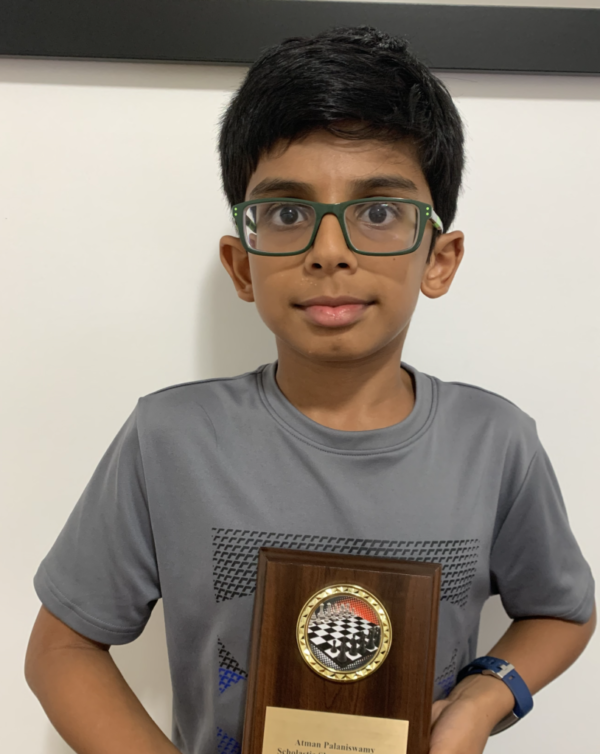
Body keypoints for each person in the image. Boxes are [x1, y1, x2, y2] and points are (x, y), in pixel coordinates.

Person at [25, 26, 595, 754]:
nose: (331, 251)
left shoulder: (496, 442)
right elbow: (60, 650)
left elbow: (564, 610)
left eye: (380, 212)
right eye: (289, 213)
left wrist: (483, 701)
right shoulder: (169, 439)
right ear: (240, 265)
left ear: (440, 259)